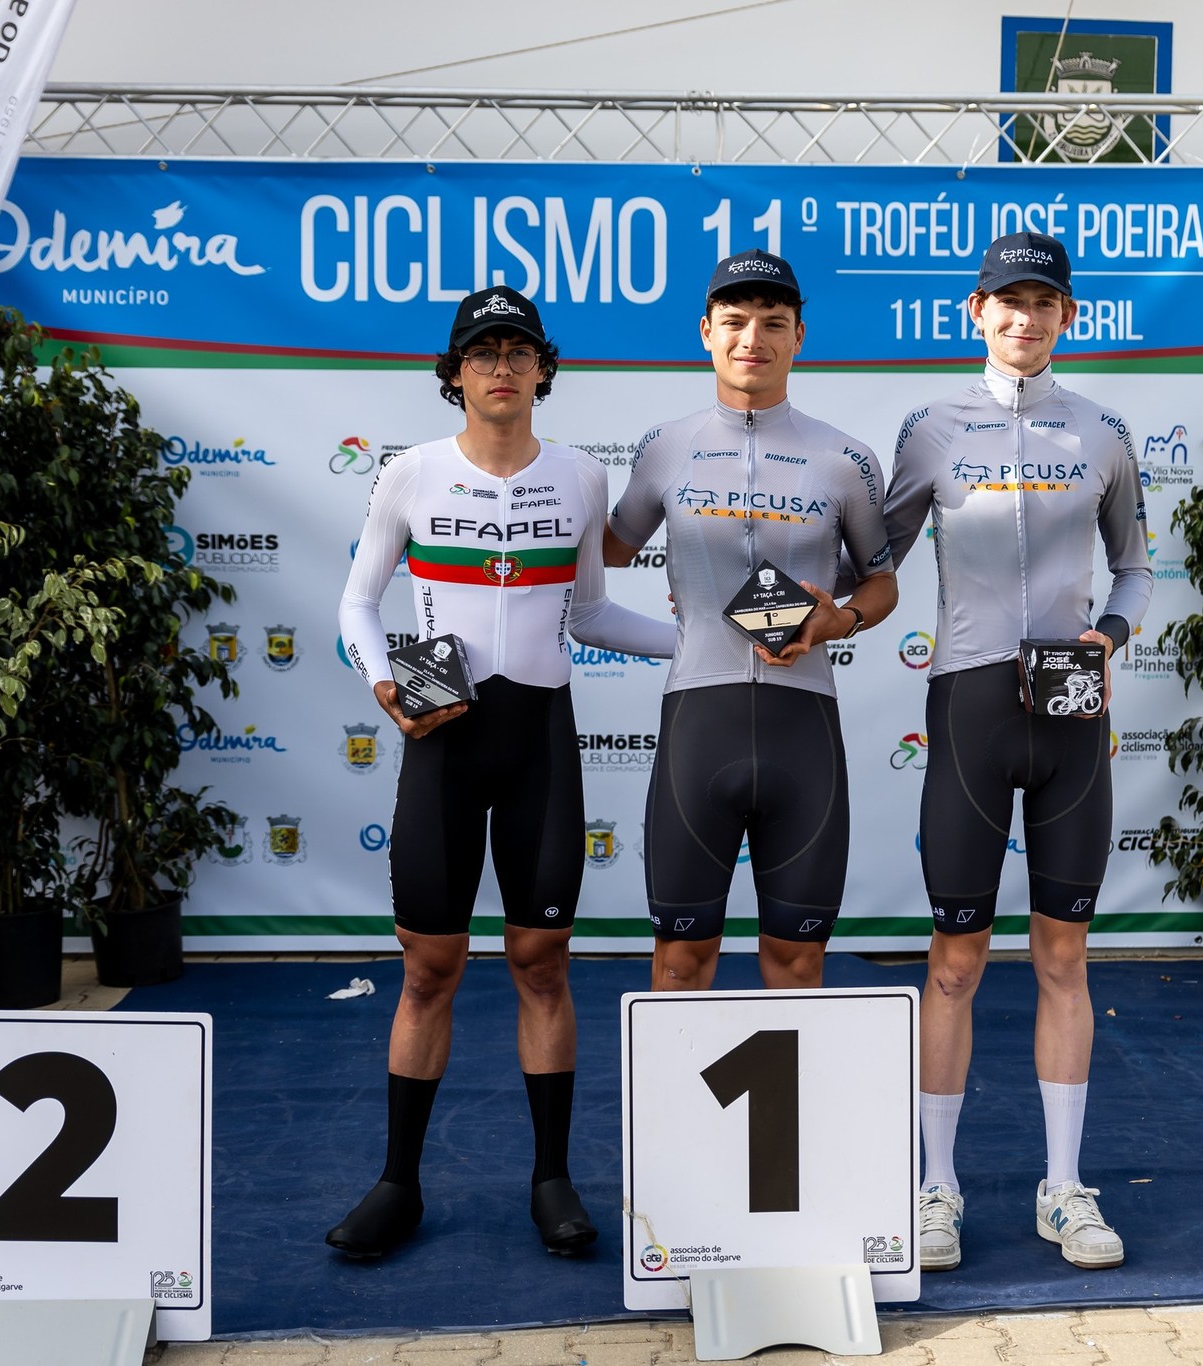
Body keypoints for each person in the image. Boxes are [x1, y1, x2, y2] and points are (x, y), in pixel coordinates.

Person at [330, 286, 674, 1259]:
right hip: (442, 738)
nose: (501, 367)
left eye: (518, 352)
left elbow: (592, 614)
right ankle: (398, 1182)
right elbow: (357, 604)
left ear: (541, 370)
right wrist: (382, 681)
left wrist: (701, 641)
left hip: (538, 742)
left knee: (541, 962)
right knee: (427, 969)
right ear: (453, 374)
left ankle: (550, 1178)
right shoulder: (409, 473)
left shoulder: (580, 476)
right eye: (482, 353)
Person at [876, 232, 1152, 1273]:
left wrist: (1108, 636)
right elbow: (873, 557)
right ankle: (934, 1187)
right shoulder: (930, 427)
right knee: (953, 961)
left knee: (1064, 957)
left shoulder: (1101, 431)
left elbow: (1133, 569)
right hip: (969, 704)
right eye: (1007, 300)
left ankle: (1063, 1188)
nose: (1023, 318)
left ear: (1067, 317)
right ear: (975, 311)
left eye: (1043, 302)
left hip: (1070, 704)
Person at [603, 250, 899, 992]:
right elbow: (606, 550)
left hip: (805, 727)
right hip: (698, 725)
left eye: (773, 322)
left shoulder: (846, 459)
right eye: (734, 321)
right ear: (706, 331)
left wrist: (839, 620)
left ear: (800, 335)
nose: (752, 339)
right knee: (681, 961)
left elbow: (881, 582)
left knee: (798, 962)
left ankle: (788, 1082)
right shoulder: (665, 447)